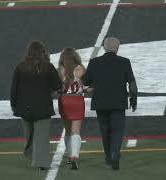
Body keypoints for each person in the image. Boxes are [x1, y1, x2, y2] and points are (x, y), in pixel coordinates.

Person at [82, 37, 138, 170]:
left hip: (100, 103)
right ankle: (115, 155)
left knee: (105, 131)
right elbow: (132, 84)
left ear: (104, 47)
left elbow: (86, 82)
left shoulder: (94, 62)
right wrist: (133, 99)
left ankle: (108, 158)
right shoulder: (124, 62)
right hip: (118, 103)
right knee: (117, 131)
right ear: (117, 48)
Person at [10, 41, 62, 170]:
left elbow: (14, 89)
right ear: (42, 52)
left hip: (24, 108)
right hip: (42, 107)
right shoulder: (48, 67)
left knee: (29, 132)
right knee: (42, 135)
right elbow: (58, 86)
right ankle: (41, 162)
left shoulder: (20, 67)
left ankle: (30, 152)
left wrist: (14, 105)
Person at [57, 47, 87, 170]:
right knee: (76, 131)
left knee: (68, 130)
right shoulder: (81, 69)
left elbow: (56, 88)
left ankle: (69, 155)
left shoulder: (59, 70)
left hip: (64, 100)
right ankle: (75, 156)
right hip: (77, 101)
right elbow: (87, 86)